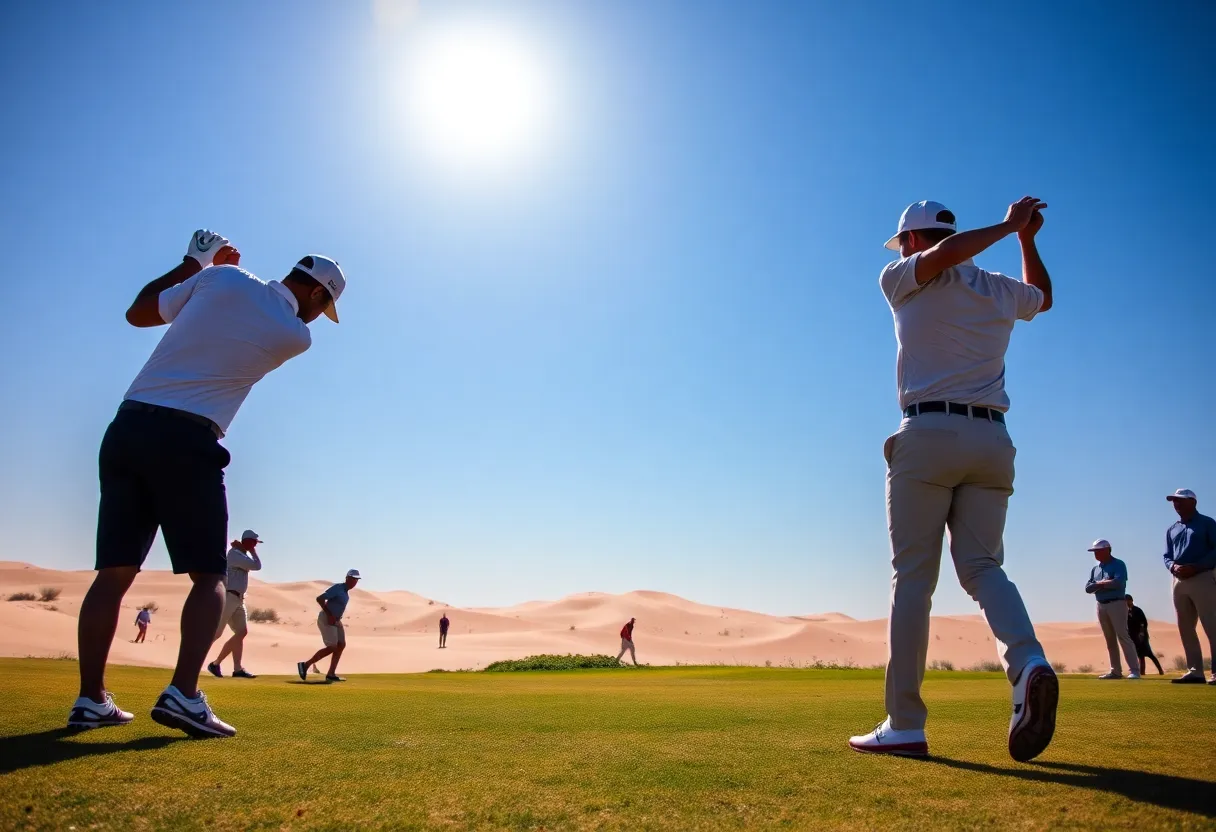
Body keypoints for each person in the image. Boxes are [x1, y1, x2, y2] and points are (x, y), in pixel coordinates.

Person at [67, 230, 346, 738]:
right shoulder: (296, 336)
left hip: (126, 429)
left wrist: (194, 264)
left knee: (113, 574)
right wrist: (218, 275)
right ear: (316, 294)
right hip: (188, 439)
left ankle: (90, 700)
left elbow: (139, 313)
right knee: (209, 577)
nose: (316, 322)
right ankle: (184, 694)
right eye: (321, 308)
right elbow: (267, 311)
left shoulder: (219, 277)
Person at [850, 198, 1058, 763]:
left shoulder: (900, 279)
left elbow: (955, 260)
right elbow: (1041, 297)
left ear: (911, 241)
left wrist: (1014, 229)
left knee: (913, 579)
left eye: (907, 244)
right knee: (984, 567)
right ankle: (1028, 661)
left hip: (929, 432)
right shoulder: (993, 286)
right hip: (993, 439)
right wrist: (1023, 239)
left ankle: (905, 724)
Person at [1162, 489, 1216, 684]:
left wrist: (1197, 566)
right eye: (1174, 501)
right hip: (1178, 580)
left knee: (1211, 625)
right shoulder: (1172, 529)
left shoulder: (1207, 523)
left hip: (1202, 577)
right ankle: (1195, 671)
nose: (1176, 505)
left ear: (1193, 502)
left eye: (1180, 501)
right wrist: (1173, 566)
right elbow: (1167, 556)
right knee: (1185, 627)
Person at [207, 530, 263, 679]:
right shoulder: (235, 554)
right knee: (215, 634)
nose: (255, 546)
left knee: (242, 632)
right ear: (249, 542)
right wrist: (251, 551)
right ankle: (192, 662)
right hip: (229, 596)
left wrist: (248, 550)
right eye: (254, 543)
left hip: (238, 599)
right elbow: (257, 565)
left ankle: (227, 666)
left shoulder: (241, 554)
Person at [1084, 539, 1139, 679]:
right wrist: (1103, 584)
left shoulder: (1118, 564)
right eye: (1094, 552)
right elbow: (1088, 588)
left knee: (1123, 636)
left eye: (1098, 551)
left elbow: (1118, 583)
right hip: (1101, 605)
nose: (1096, 554)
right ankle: (1115, 671)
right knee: (1110, 639)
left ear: (1107, 550)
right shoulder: (1095, 569)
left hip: (1117, 603)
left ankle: (1134, 670)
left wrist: (1099, 585)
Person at [299, 569, 361, 682]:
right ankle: (305, 665)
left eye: (356, 580)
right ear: (347, 578)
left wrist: (335, 618)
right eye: (352, 579)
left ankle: (331, 674)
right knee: (332, 647)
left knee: (341, 644)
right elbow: (320, 599)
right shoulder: (338, 588)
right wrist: (330, 615)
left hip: (336, 621)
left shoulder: (345, 592)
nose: (354, 582)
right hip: (326, 618)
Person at [1126, 596, 1163, 675]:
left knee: (1149, 654)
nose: (1126, 603)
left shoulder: (1137, 610)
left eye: (1127, 601)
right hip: (1134, 637)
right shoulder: (1127, 612)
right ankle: (1142, 672)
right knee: (1140, 655)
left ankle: (1160, 670)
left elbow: (1143, 622)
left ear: (1131, 601)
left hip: (1142, 636)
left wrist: (1142, 633)